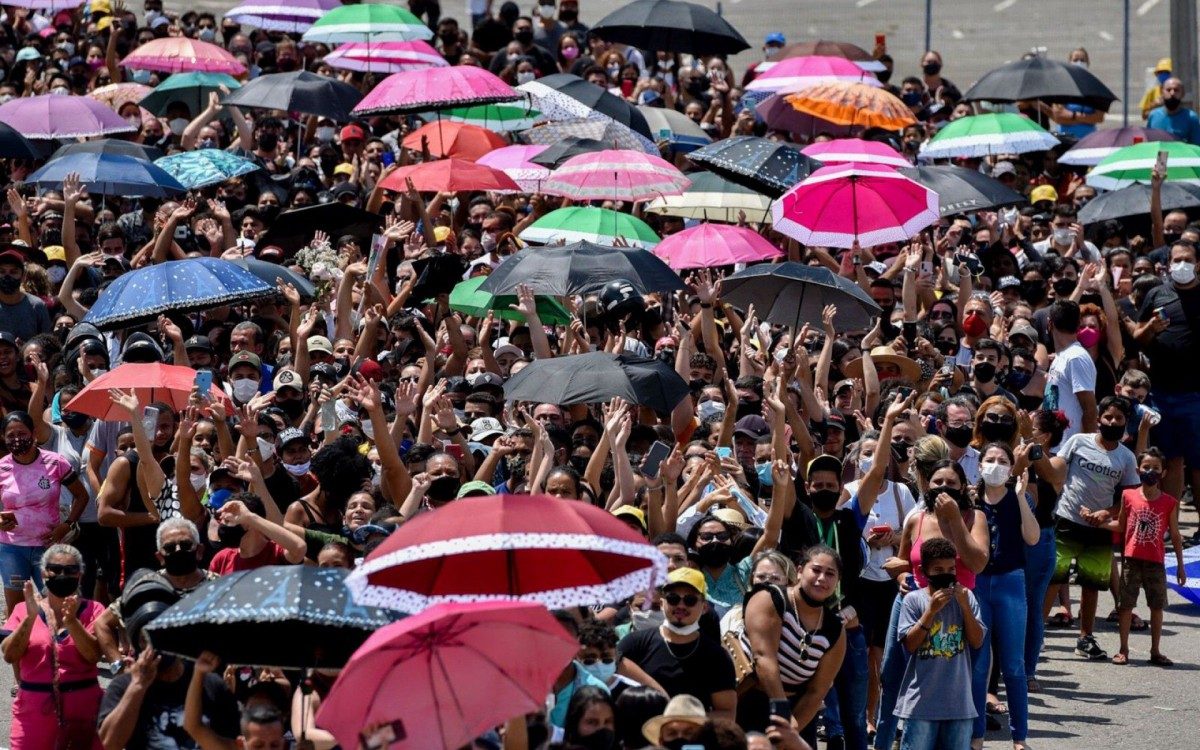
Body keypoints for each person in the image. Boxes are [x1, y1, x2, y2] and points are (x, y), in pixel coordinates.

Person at [1046, 396, 1141, 661]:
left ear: (1125, 423)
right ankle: (1035, 634)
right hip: (1066, 520)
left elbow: (1127, 498)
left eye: (1119, 419)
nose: (1112, 422)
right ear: (1099, 419)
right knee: (1053, 579)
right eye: (1108, 417)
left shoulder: (1126, 458)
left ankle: (1085, 638)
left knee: (1091, 584)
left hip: (1099, 529)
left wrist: (1105, 514)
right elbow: (1057, 468)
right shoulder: (1078, 442)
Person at [739, 544, 846, 745]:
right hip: (749, 700)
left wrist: (791, 731)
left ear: (837, 581)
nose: (822, 578)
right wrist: (781, 711)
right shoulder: (770, 598)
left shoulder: (835, 631)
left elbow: (817, 691)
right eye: (815, 570)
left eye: (830, 574)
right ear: (799, 571)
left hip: (796, 712)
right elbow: (763, 657)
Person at [970, 442, 1039, 750]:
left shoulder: (1018, 498)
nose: (995, 465)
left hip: (1011, 582)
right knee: (979, 664)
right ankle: (976, 734)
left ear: (1011, 468)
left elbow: (1033, 538)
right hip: (979, 583)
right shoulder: (970, 500)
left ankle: (1019, 736)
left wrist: (1022, 496)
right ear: (980, 464)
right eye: (989, 459)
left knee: (1013, 664)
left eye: (1002, 460)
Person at [1, 545, 104, 749]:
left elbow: (94, 655)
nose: (62, 575)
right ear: (43, 574)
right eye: (55, 569)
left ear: (80, 575)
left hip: (84, 711)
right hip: (34, 711)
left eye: (70, 570)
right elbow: (9, 654)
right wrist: (30, 619)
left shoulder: (94, 609)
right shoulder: (24, 609)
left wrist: (72, 622)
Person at [895, 537, 986, 750]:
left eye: (951, 569)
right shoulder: (913, 600)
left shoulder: (967, 598)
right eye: (938, 569)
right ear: (924, 570)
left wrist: (964, 607)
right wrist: (930, 611)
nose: (946, 574)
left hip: (959, 705)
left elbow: (977, 641)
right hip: (921, 704)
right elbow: (909, 644)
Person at [617, 567, 737, 720]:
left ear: (704, 607)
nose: (681, 606)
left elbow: (727, 714)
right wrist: (657, 691)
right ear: (662, 603)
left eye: (690, 600)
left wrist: (681, 721)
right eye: (673, 599)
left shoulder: (716, 656)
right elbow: (609, 664)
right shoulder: (636, 643)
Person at [0, 410, 89, 615]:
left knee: (56, 604)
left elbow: (82, 496)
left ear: (33, 433)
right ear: (3, 438)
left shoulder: (56, 462)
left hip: (48, 545)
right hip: (12, 548)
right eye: (10, 435)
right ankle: (22, 645)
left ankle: (55, 644)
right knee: (16, 611)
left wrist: (67, 525)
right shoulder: (2, 468)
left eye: (21, 433)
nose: (16, 439)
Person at [1113, 448, 1184, 666]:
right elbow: (1121, 525)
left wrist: (1180, 566)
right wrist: (1097, 521)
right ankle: (1123, 649)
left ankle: (1155, 650)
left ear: (1163, 473)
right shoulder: (1128, 496)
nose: (1150, 472)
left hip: (1155, 560)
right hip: (1131, 559)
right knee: (1126, 605)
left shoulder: (1169, 502)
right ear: (1138, 470)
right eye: (1146, 467)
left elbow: (1175, 534)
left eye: (1155, 468)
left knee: (1157, 606)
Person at [1146, 77, 1200, 145]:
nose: (1172, 93)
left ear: (1182, 94)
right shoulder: (1153, 116)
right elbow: (1148, 143)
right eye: (1168, 90)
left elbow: (1197, 147)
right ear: (1162, 92)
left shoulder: (1191, 118)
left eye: (1176, 90)